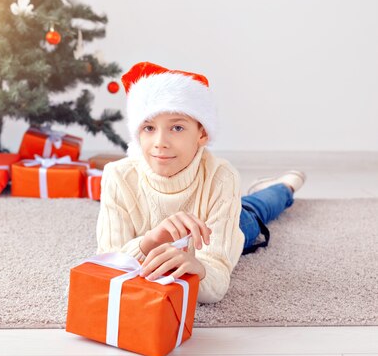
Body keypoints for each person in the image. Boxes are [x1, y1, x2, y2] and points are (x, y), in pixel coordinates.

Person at [96, 61, 307, 303]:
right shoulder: (117, 176)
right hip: (171, 234)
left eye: (177, 127)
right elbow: (107, 268)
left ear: (202, 134)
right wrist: (151, 240)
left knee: (257, 209)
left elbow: (216, 282)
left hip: (228, 224)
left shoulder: (221, 178)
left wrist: (198, 268)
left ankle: (284, 187)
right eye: (149, 127)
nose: (160, 142)